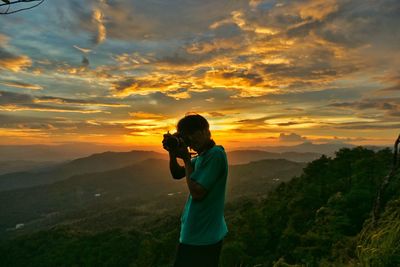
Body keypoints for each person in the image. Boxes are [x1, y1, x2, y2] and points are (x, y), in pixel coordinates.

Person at [162, 113, 228, 267]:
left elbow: (197, 193)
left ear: (206, 131)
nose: (191, 140)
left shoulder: (215, 154)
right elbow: (177, 173)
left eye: (193, 134)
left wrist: (185, 158)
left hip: (202, 237)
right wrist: (172, 153)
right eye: (186, 137)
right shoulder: (201, 157)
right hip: (195, 234)